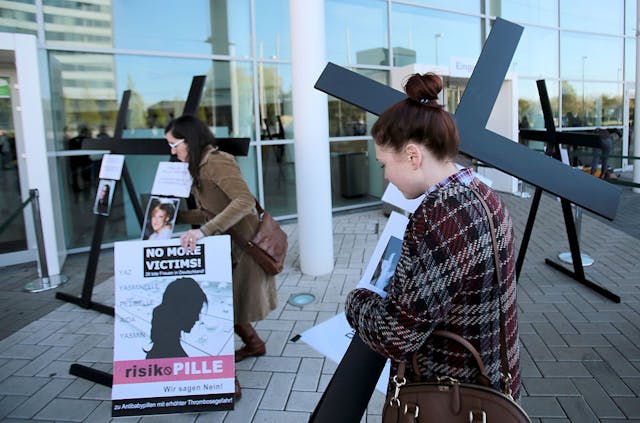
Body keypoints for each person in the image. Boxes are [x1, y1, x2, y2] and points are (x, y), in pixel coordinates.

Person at [344, 72, 521, 403]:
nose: (384, 175)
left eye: (384, 163)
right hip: (492, 379)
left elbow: (396, 336)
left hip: (456, 395)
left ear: (413, 156)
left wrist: (356, 301)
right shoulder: (481, 191)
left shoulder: (444, 215)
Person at [165, 114, 278, 399]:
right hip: (223, 244)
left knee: (218, 309)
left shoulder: (216, 162)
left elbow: (244, 200)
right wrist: (169, 217)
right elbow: (210, 210)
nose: (172, 150)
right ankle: (254, 344)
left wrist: (204, 231)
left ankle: (226, 378)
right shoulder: (197, 165)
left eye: (174, 143)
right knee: (224, 304)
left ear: (189, 141)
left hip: (241, 245)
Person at [146, 277, 208, 359]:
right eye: (195, 311)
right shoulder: (177, 359)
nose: (197, 318)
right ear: (182, 309)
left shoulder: (156, 352)